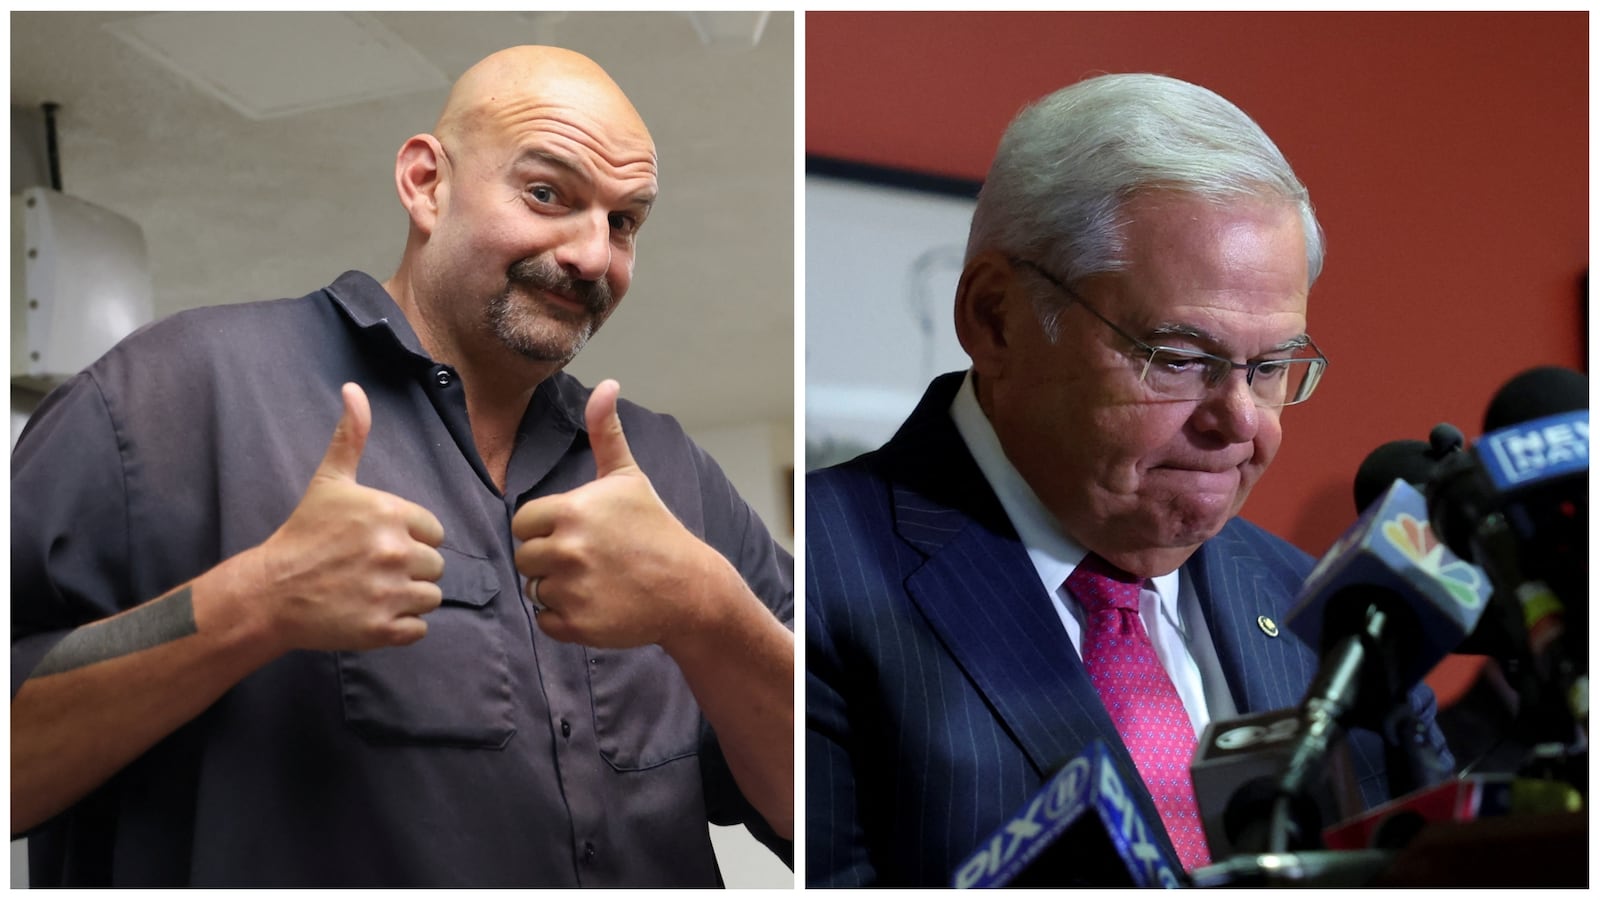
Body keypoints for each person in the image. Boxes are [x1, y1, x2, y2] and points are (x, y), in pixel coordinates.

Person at [11, 46, 793, 888]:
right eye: (547, 194)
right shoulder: (174, 396)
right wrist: (254, 601)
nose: (593, 256)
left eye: (624, 222)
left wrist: (707, 614)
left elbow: (838, 809)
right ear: (426, 183)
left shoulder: (669, 476)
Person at [804, 73, 1452, 887]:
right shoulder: (813, 579)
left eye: (1272, 368)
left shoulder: (1330, 617)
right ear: (997, 318)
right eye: (1179, 358)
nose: (1241, 421)